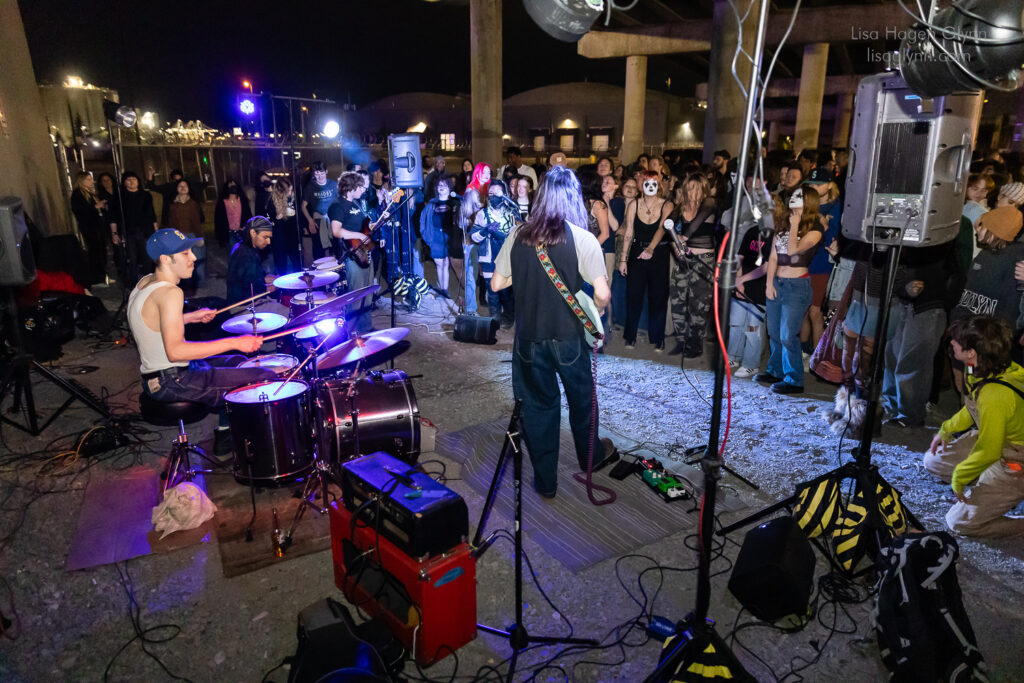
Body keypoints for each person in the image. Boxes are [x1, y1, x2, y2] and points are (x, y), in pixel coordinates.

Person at [491, 166, 611, 499]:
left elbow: (497, 283)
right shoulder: (582, 238)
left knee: (539, 409)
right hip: (569, 338)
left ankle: (546, 482)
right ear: (574, 197)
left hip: (529, 339)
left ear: (542, 195)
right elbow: (602, 294)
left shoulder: (519, 234)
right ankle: (591, 460)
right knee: (583, 402)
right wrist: (596, 312)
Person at [129, 228, 273, 455]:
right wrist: (235, 342)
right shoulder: (170, 293)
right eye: (186, 254)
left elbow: (149, 321)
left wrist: (188, 317)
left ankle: (226, 433)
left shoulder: (145, 283)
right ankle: (261, 452)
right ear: (166, 259)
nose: (194, 258)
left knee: (237, 362)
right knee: (263, 376)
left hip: (158, 377)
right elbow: (175, 351)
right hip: (173, 380)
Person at [924, 315, 1024, 537]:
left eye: (957, 341)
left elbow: (989, 449)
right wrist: (946, 429)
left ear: (971, 352)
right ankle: (987, 479)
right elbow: (972, 408)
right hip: (996, 442)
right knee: (933, 462)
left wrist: (960, 477)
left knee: (958, 522)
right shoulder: (977, 367)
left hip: (1016, 459)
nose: (952, 342)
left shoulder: (996, 394)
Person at [757, 188, 824, 394]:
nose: (793, 199)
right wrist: (769, 284)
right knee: (774, 332)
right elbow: (774, 256)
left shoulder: (816, 228)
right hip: (778, 282)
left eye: (799, 196)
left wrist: (795, 225)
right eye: (793, 196)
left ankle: (794, 380)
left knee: (787, 334)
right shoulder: (784, 224)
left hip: (797, 287)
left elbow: (794, 249)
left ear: (809, 202)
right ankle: (775, 370)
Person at [619, 170, 673, 351]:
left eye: (654, 183)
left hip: (659, 253)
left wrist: (650, 249)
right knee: (633, 295)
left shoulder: (667, 205)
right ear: (641, 186)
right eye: (647, 183)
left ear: (659, 186)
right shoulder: (634, 204)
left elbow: (662, 228)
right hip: (636, 251)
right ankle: (630, 336)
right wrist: (623, 259)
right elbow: (628, 231)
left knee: (658, 296)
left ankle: (658, 338)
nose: (650, 186)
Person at [668, 173, 716, 358]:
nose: (692, 191)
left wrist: (684, 237)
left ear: (703, 188)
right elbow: (668, 227)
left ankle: (695, 344)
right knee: (677, 301)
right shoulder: (680, 207)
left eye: (696, 187)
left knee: (699, 305)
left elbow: (696, 224)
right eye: (689, 187)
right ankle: (681, 341)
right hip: (683, 261)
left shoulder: (709, 203)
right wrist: (676, 246)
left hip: (704, 260)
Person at [329, 172, 376, 334]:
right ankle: (351, 332)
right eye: (360, 187)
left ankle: (366, 328)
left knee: (368, 293)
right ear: (350, 189)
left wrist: (370, 227)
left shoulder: (355, 203)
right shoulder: (337, 206)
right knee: (356, 296)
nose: (363, 189)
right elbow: (336, 231)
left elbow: (361, 225)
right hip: (352, 256)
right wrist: (359, 235)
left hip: (364, 253)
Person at [802, 167, 843, 349]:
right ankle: (803, 349)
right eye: (810, 183)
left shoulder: (838, 206)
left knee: (815, 310)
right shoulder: (806, 205)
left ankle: (816, 355)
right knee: (802, 309)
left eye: (818, 184)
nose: (813, 186)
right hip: (804, 261)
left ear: (829, 185)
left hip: (823, 262)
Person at [471, 179, 518, 327]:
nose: (494, 195)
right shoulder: (482, 214)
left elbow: (518, 232)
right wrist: (485, 230)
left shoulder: (511, 213)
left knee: (505, 291)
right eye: (491, 192)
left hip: (506, 258)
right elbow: (473, 236)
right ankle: (495, 319)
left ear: (504, 194)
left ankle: (509, 318)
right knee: (491, 291)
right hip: (489, 258)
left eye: (497, 192)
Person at [110, 171, 158, 283]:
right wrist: (114, 233)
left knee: (147, 258)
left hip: (145, 231)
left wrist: (156, 231)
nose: (132, 182)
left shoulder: (146, 195)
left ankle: (150, 282)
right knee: (132, 260)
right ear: (124, 182)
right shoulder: (120, 197)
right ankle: (133, 285)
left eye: (134, 179)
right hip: (128, 232)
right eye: (128, 180)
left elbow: (152, 214)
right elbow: (113, 217)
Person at [459, 163, 491, 313]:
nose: (487, 175)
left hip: (487, 238)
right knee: (471, 274)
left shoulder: (490, 191)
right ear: (477, 173)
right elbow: (463, 218)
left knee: (487, 272)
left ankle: (492, 304)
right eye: (484, 172)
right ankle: (470, 309)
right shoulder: (471, 192)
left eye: (489, 172)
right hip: (471, 238)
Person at [419, 176, 459, 297]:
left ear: (449, 188)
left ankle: (444, 290)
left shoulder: (453, 202)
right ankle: (442, 288)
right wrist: (426, 237)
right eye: (440, 185)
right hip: (435, 236)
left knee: (446, 263)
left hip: (448, 237)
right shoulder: (432, 203)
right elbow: (422, 218)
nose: (441, 187)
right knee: (439, 263)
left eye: (445, 185)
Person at [70, 171, 109, 286]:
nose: (91, 181)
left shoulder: (90, 193)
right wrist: (96, 206)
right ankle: (96, 277)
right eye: (88, 179)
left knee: (101, 249)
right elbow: (81, 211)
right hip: (90, 227)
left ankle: (102, 275)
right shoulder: (78, 194)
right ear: (81, 181)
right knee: (95, 250)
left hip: (97, 226)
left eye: (91, 179)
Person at [226, 217, 275, 304]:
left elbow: (257, 277)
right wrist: (271, 288)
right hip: (244, 306)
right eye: (265, 237)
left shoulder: (242, 245)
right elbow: (251, 289)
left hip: (247, 300)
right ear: (253, 233)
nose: (269, 242)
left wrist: (278, 279)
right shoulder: (245, 255)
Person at [301, 162, 338, 261]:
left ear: (326, 172)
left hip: (332, 219)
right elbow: (303, 206)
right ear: (313, 174)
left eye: (321, 173)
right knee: (318, 248)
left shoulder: (334, 185)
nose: (320, 176)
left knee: (335, 246)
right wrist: (310, 221)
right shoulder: (310, 187)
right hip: (317, 219)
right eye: (317, 174)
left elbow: (340, 202)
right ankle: (319, 271)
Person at [269, 177, 301, 275]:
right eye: (289, 190)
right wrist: (278, 216)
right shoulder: (273, 201)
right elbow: (271, 218)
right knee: (281, 262)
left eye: (291, 189)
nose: (290, 192)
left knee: (296, 261)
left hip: (293, 234)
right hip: (280, 235)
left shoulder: (294, 197)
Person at [214, 179, 251, 249]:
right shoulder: (222, 203)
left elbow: (248, 215)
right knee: (233, 254)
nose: (233, 188)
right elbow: (219, 221)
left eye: (234, 186)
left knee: (244, 253)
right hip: (230, 233)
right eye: (230, 186)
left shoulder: (242, 200)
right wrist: (220, 237)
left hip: (242, 232)